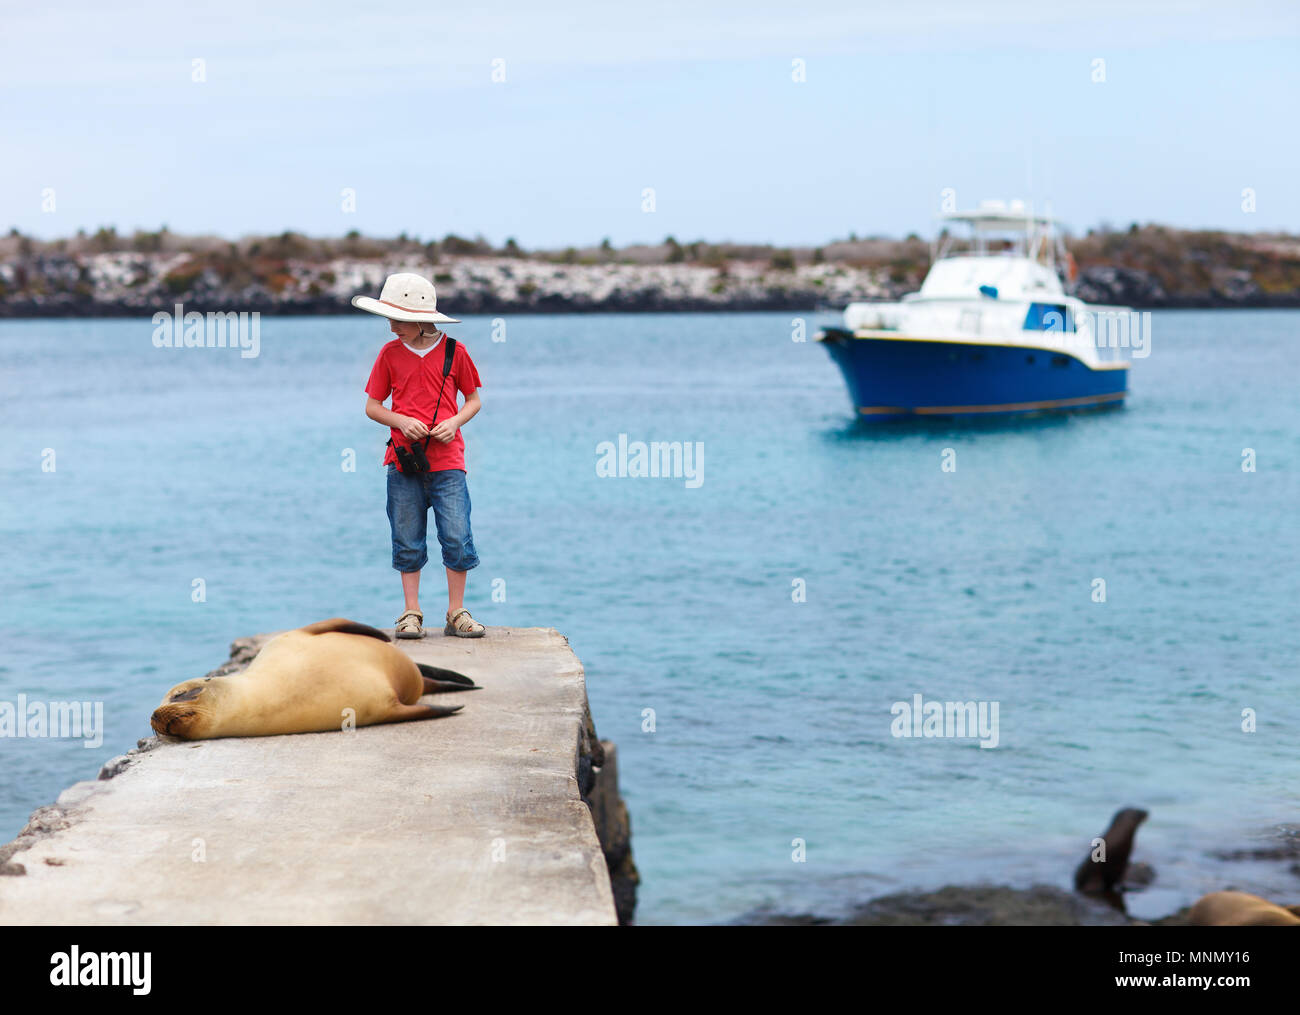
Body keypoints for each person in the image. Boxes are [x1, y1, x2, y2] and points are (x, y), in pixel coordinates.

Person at [352, 272, 485, 639]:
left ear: (421, 319)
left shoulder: (455, 352)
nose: (392, 326)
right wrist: (400, 421)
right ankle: (411, 612)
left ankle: (456, 611)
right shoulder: (389, 354)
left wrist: (453, 423)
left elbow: (473, 401)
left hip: (449, 462)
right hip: (402, 461)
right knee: (407, 537)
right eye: (390, 319)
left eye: (398, 319)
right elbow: (373, 407)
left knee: (457, 536)